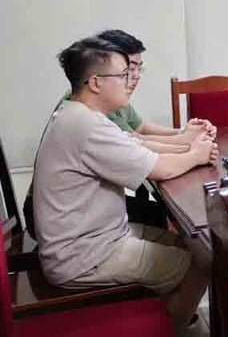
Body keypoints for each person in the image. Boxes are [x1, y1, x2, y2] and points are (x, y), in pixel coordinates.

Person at [32, 36, 216, 329]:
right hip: (85, 255)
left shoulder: (81, 115)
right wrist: (195, 154)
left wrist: (188, 146)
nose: (130, 80)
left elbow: (137, 145)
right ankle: (171, 327)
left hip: (93, 238)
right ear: (95, 83)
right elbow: (159, 169)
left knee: (193, 243)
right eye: (122, 74)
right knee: (205, 261)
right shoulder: (87, 126)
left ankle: (168, 311)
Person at [23, 29, 215, 235]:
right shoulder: (88, 119)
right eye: (125, 72)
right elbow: (145, 151)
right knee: (180, 230)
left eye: (136, 69)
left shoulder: (84, 110)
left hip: (75, 217)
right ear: (97, 78)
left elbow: (138, 135)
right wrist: (192, 150)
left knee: (168, 221)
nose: (133, 78)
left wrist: (183, 136)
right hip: (69, 230)